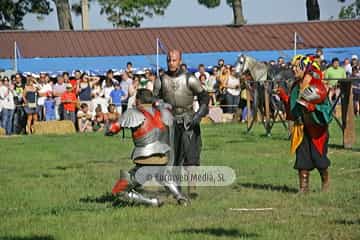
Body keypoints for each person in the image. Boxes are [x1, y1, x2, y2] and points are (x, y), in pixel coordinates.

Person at [111, 89, 188, 206]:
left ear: (137, 100)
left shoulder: (133, 113)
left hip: (145, 159)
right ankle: (180, 197)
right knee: (161, 173)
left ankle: (152, 202)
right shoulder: (163, 112)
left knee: (120, 190)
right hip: (163, 156)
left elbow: (112, 129)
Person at [154, 49, 210, 198]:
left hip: (188, 120)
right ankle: (176, 189)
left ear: (179, 61)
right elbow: (154, 100)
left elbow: (204, 96)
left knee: (191, 156)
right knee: (173, 158)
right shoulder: (161, 80)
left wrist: (199, 115)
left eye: (174, 60)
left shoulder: (189, 78)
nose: (171, 63)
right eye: (169, 60)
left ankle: (192, 189)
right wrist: (160, 107)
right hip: (170, 122)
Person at [277, 55, 332, 193]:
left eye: (296, 66)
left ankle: (325, 183)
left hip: (316, 129)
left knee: (318, 158)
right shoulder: (296, 86)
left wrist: (315, 109)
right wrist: (285, 98)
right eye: (293, 66)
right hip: (301, 128)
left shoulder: (317, 85)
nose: (293, 69)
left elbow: (327, 110)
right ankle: (303, 189)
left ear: (305, 68)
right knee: (302, 159)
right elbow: (293, 111)